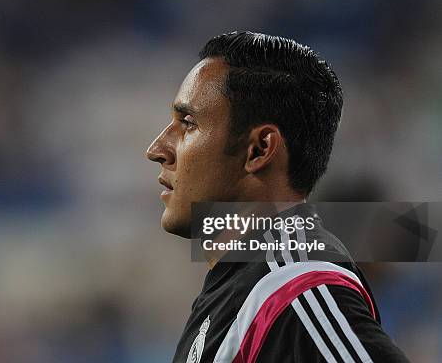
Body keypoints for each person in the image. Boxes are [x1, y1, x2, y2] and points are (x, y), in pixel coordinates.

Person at [146, 31, 409, 363]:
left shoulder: (296, 284)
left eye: (188, 123)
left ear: (259, 149)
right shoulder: (243, 285)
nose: (156, 150)